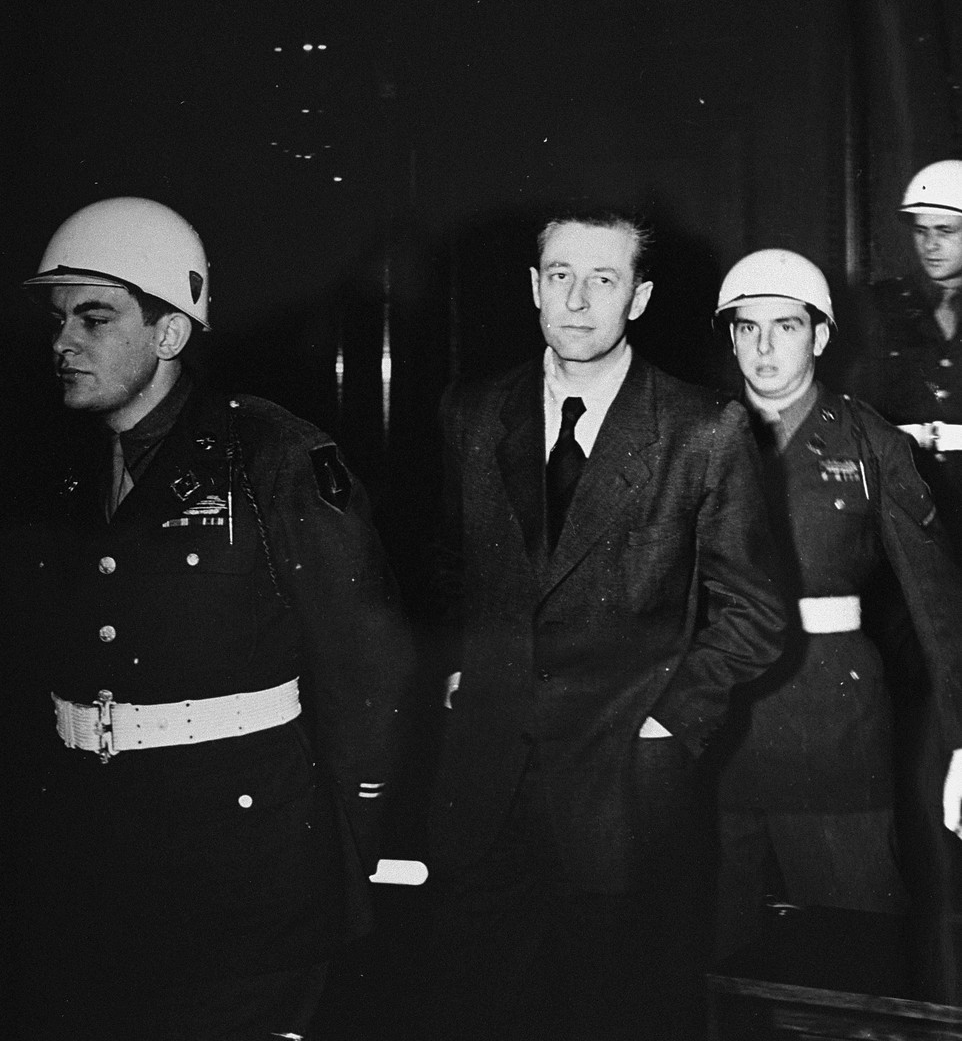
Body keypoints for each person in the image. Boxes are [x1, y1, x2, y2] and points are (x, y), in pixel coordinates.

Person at [14, 197, 413, 1040]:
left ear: (169, 334)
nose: (63, 343)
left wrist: (345, 854)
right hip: (90, 870)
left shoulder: (271, 456)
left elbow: (365, 673)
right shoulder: (52, 464)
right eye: (59, 320)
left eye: (94, 317)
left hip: (246, 880)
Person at [426, 211, 789, 1041]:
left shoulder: (704, 427)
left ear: (640, 296)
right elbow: (450, 564)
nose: (579, 301)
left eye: (604, 280)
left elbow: (757, 612)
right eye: (560, 276)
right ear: (533, 287)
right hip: (486, 792)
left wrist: (670, 721)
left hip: (626, 794)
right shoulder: (473, 412)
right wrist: (460, 669)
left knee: (618, 1016)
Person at [713, 249, 962, 997]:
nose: (764, 347)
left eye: (784, 326)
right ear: (729, 339)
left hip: (834, 736)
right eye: (747, 328)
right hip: (713, 731)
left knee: (853, 956)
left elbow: (939, 611)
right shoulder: (691, 438)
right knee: (714, 966)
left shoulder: (870, 443)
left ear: (820, 336)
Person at [855, 159, 962, 562]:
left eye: (945, 232)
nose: (930, 245)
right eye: (921, 232)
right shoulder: (879, 305)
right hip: (901, 493)